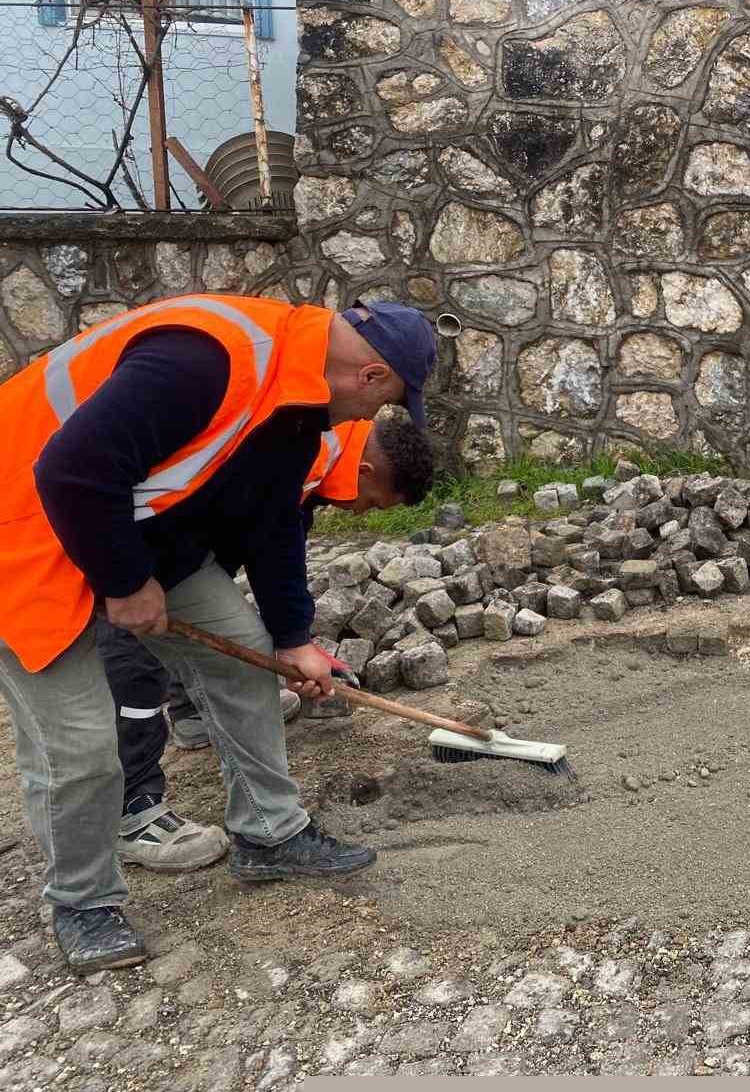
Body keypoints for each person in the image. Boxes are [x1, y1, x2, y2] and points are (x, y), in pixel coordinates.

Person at [0, 293, 437, 972]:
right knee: (81, 747)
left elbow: (271, 526)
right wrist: (122, 582)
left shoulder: (298, 405)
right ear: (372, 376)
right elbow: (71, 469)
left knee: (246, 663)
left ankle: (270, 834)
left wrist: (293, 640)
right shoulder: (209, 359)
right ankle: (83, 903)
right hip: (23, 534)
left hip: (124, 526)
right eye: (380, 405)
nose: (365, 421)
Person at [109, 414, 437, 875]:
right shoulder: (298, 446)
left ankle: (193, 717)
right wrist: (289, 643)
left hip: (171, 546)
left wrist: (294, 643)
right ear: (364, 472)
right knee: (130, 670)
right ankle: (132, 808)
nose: (365, 513)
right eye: (376, 503)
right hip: (108, 539)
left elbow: (277, 554)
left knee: (217, 642)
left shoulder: (316, 460)